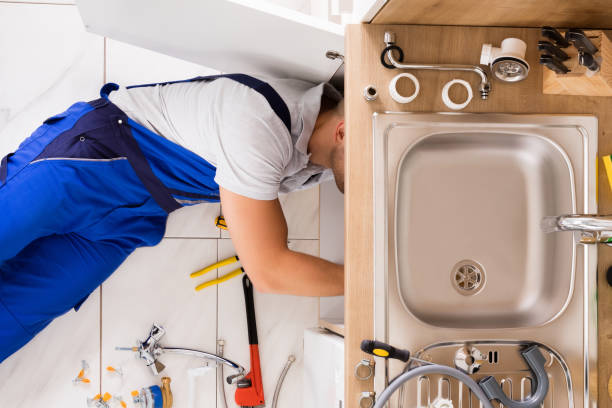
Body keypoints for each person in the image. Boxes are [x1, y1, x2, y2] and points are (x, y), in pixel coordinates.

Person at [0, 74, 345, 362]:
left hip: (128, 220)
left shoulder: (323, 154)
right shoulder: (260, 121)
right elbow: (268, 269)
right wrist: (367, 284)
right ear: (342, 133)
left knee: (11, 322)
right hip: (85, 164)